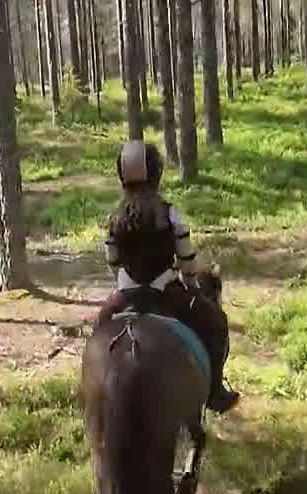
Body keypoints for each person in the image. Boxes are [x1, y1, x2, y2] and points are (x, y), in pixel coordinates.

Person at [95, 139, 239, 414]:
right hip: (166, 292)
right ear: (157, 174)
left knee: (98, 331)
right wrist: (190, 278)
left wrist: (126, 283)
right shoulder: (169, 212)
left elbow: (113, 262)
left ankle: (93, 398)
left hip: (126, 293)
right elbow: (187, 261)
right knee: (216, 323)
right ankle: (215, 392)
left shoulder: (114, 218)